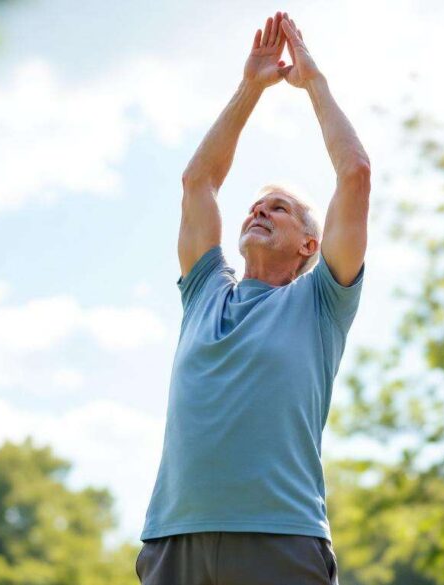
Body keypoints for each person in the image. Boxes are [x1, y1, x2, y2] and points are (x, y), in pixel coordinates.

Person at [137, 10, 370, 585]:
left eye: (279, 208)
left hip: (281, 539)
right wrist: (251, 87)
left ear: (309, 245)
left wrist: (312, 81)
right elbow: (199, 182)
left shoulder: (321, 303)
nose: (259, 210)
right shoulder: (203, 294)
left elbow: (356, 174)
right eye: (255, 206)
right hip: (174, 539)